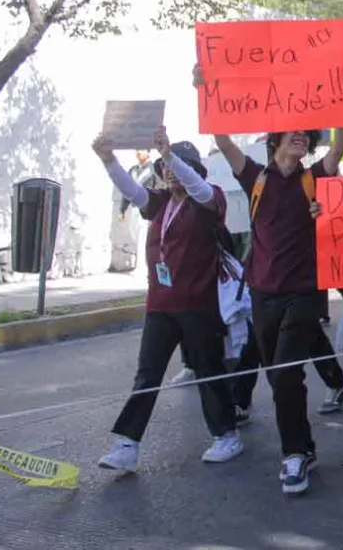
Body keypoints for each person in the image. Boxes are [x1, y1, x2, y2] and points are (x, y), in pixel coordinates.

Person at [193, 64, 343, 496]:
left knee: (283, 373)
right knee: (281, 374)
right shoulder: (254, 177)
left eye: (307, 132)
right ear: (276, 138)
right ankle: (304, 448)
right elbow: (223, 140)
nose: (302, 135)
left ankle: (294, 455)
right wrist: (204, 90)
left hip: (303, 293)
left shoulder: (313, 178)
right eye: (294, 131)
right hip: (262, 294)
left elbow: (339, 146)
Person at [94, 128, 242, 473]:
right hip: (160, 305)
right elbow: (130, 189)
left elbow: (199, 188)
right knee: (147, 375)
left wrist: (171, 154)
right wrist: (108, 159)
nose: (172, 171)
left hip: (198, 306)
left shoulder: (210, 201)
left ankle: (226, 435)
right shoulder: (161, 203)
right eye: (167, 167)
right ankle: (127, 444)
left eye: (180, 166)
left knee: (208, 371)